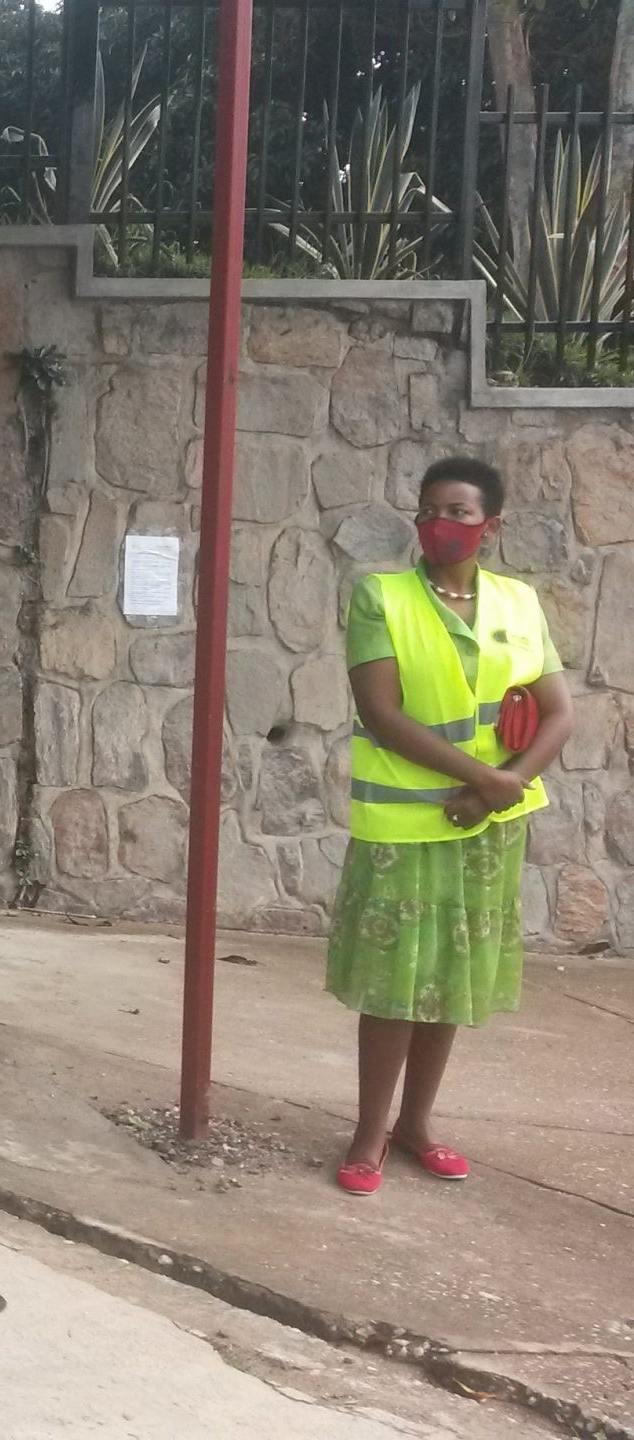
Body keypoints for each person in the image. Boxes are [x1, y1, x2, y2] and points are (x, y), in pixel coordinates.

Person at [330, 456, 572, 1197]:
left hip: (490, 828)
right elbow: (383, 712)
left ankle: (417, 1126)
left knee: (448, 980)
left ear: (490, 526)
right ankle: (370, 1133)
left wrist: (504, 788)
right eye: (430, 509)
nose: (441, 524)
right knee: (393, 984)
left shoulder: (520, 603)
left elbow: (557, 712)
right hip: (407, 825)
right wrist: (482, 781)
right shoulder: (381, 598)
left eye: (460, 513)